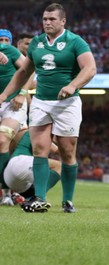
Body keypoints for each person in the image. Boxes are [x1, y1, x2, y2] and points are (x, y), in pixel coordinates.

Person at [0, 3, 97, 213]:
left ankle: (68, 201)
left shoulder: (75, 42)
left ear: (63, 21)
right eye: (45, 19)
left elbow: (90, 69)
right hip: (41, 102)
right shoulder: (36, 43)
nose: (47, 22)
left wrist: (72, 86)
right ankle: (40, 198)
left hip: (67, 104)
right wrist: (5, 95)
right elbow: (23, 73)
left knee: (67, 152)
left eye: (52, 19)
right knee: (39, 150)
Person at [0, 29, 29, 206]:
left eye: (5, 40)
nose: (3, 43)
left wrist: (23, 93)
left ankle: (7, 194)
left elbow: (29, 70)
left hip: (12, 104)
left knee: (3, 140)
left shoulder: (11, 52)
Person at [4, 128, 61, 211]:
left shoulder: (28, 131)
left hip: (9, 176)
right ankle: (37, 199)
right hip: (21, 163)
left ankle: (28, 200)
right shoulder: (39, 132)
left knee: (39, 173)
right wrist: (65, 140)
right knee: (59, 166)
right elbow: (58, 150)